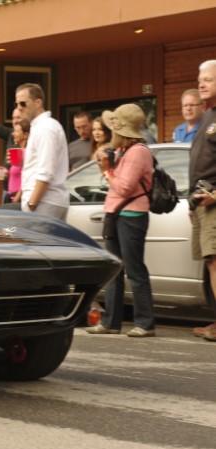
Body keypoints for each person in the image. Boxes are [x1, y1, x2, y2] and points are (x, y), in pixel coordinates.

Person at [87, 103, 156, 337]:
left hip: (132, 215)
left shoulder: (138, 152)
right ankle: (110, 322)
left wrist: (107, 171)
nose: (110, 133)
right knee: (115, 270)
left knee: (135, 270)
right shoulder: (124, 151)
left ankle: (145, 323)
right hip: (117, 214)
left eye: (114, 129)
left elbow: (125, 188)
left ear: (122, 131)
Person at [189, 60, 216, 341]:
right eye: (200, 79)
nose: (201, 83)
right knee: (209, 263)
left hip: (213, 203)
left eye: (208, 79)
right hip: (200, 203)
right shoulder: (206, 117)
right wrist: (190, 202)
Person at [16, 83, 70, 220]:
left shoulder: (45, 127)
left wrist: (32, 203)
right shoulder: (40, 126)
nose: (19, 108)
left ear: (38, 102)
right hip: (47, 201)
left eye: (23, 103)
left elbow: (46, 171)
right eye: (17, 104)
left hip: (45, 202)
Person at [6, 118, 30, 204]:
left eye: (16, 131)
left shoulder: (27, 153)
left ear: (25, 135)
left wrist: (17, 197)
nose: (13, 134)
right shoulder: (18, 152)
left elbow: (27, 178)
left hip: (18, 199)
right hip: (10, 196)